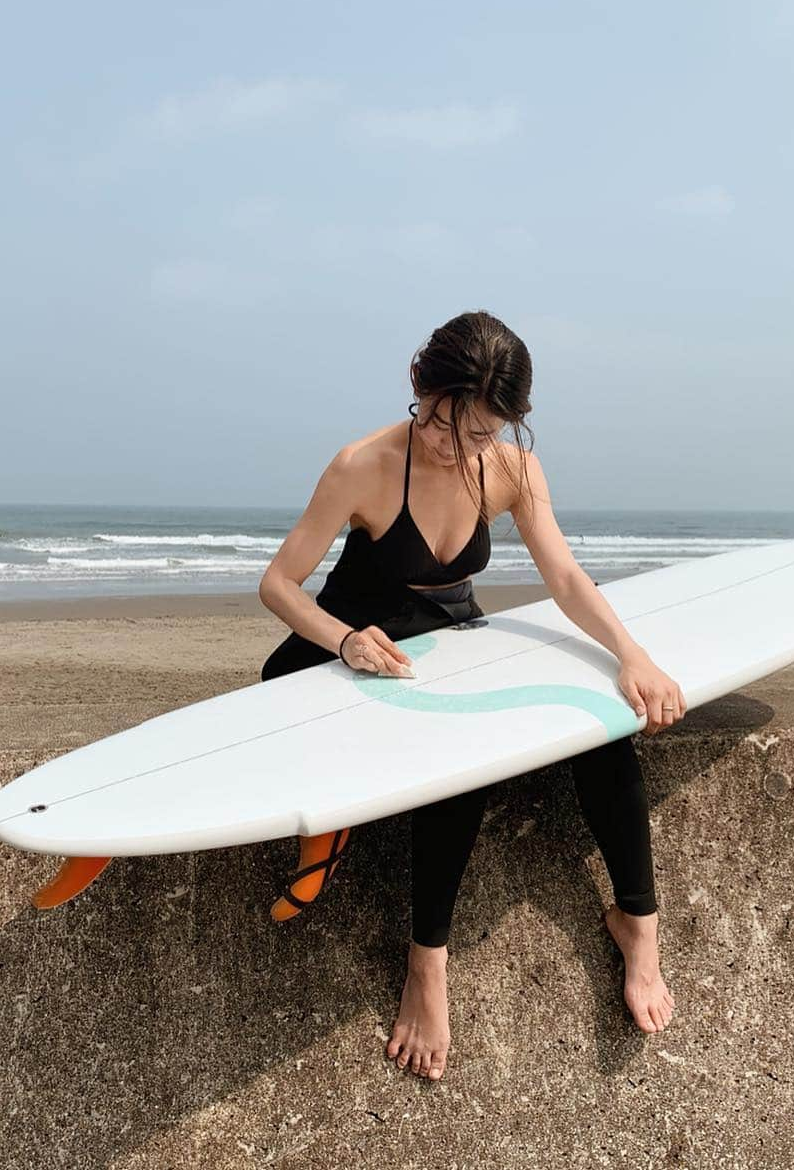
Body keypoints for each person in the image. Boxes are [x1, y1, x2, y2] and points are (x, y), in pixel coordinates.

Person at [258, 310, 685, 1082]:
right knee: (459, 765)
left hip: (443, 642)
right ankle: (428, 965)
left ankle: (638, 923)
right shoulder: (363, 464)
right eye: (442, 424)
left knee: (602, 722)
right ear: (418, 387)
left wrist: (632, 656)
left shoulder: (514, 468)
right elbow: (278, 585)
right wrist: (347, 640)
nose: (455, 449)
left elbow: (563, 577)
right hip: (344, 653)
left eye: (480, 436)